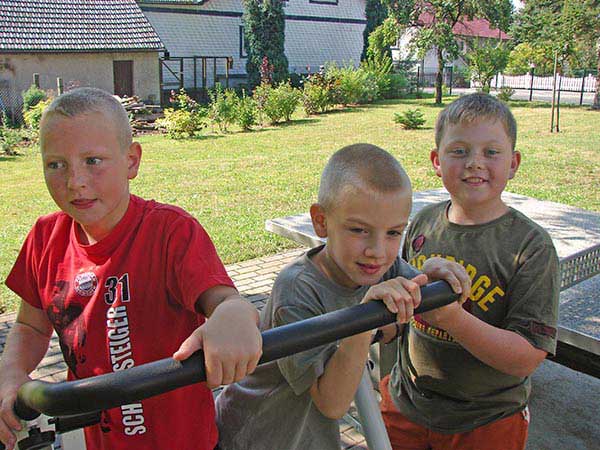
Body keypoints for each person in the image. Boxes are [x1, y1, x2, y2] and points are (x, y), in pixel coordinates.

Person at [0, 87, 262, 450]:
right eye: (56, 165)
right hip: (96, 440)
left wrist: (234, 314)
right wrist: (11, 371)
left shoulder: (171, 232)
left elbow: (223, 300)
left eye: (93, 160)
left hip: (180, 442)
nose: (75, 181)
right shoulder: (45, 238)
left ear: (131, 161)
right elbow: (30, 326)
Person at [215, 143, 469, 450]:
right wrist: (363, 324)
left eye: (393, 233)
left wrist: (430, 274)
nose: (377, 251)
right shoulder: (297, 290)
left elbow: (414, 293)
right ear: (321, 222)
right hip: (255, 435)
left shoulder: (381, 268)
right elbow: (332, 403)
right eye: (359, 230)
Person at [380, 93, 560, 450]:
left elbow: (527, 357)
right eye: (459, 151)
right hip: (407, 403)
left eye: (491, 152)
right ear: (437, 160)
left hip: (486, 421)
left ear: (513, 163)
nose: (475, 163)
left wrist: (452, 319)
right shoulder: (423, 224)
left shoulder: (531, 247)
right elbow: (399, 316)